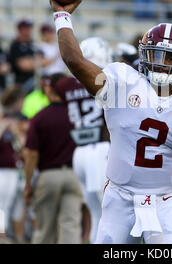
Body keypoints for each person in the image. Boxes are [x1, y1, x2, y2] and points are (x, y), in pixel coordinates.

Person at [49, 0, 172, 244]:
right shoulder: (123, 82)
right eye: (156, 55)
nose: (161, 64)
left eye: (170, 58)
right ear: (144, 55)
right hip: (120, 198)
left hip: (165, 202)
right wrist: (63, 17)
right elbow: (75, 61)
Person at [55, 37, 112, 244]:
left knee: (94, 209)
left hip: (79, 151)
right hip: (98, 147)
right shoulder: (102, 79)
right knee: (105, 210)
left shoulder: (66, 85)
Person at [24, 73, 83, 244]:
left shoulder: (40, 117)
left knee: (45, 228)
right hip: (74, 173)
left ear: (50, 89)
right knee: (71, 226)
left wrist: (28, 184)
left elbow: (32, 154)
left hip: (49, 175)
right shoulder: (76, 114)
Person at [0, 86, 27, 243]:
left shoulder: (14, 123)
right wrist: (1, 127)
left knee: (6, 203)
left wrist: (15, 132)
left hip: (12, 170)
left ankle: (1, 234)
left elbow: (21, 147)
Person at [8, 19, 37, 89]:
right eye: (26, 28)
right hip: (21, 83)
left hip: (33, 81)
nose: (29, 30)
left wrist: (31, 62)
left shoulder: (31, 44)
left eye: (30, 28)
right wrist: (36, 62)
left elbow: (42, 60)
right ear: (20, 30)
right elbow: (23, 65)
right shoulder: (15, 45)